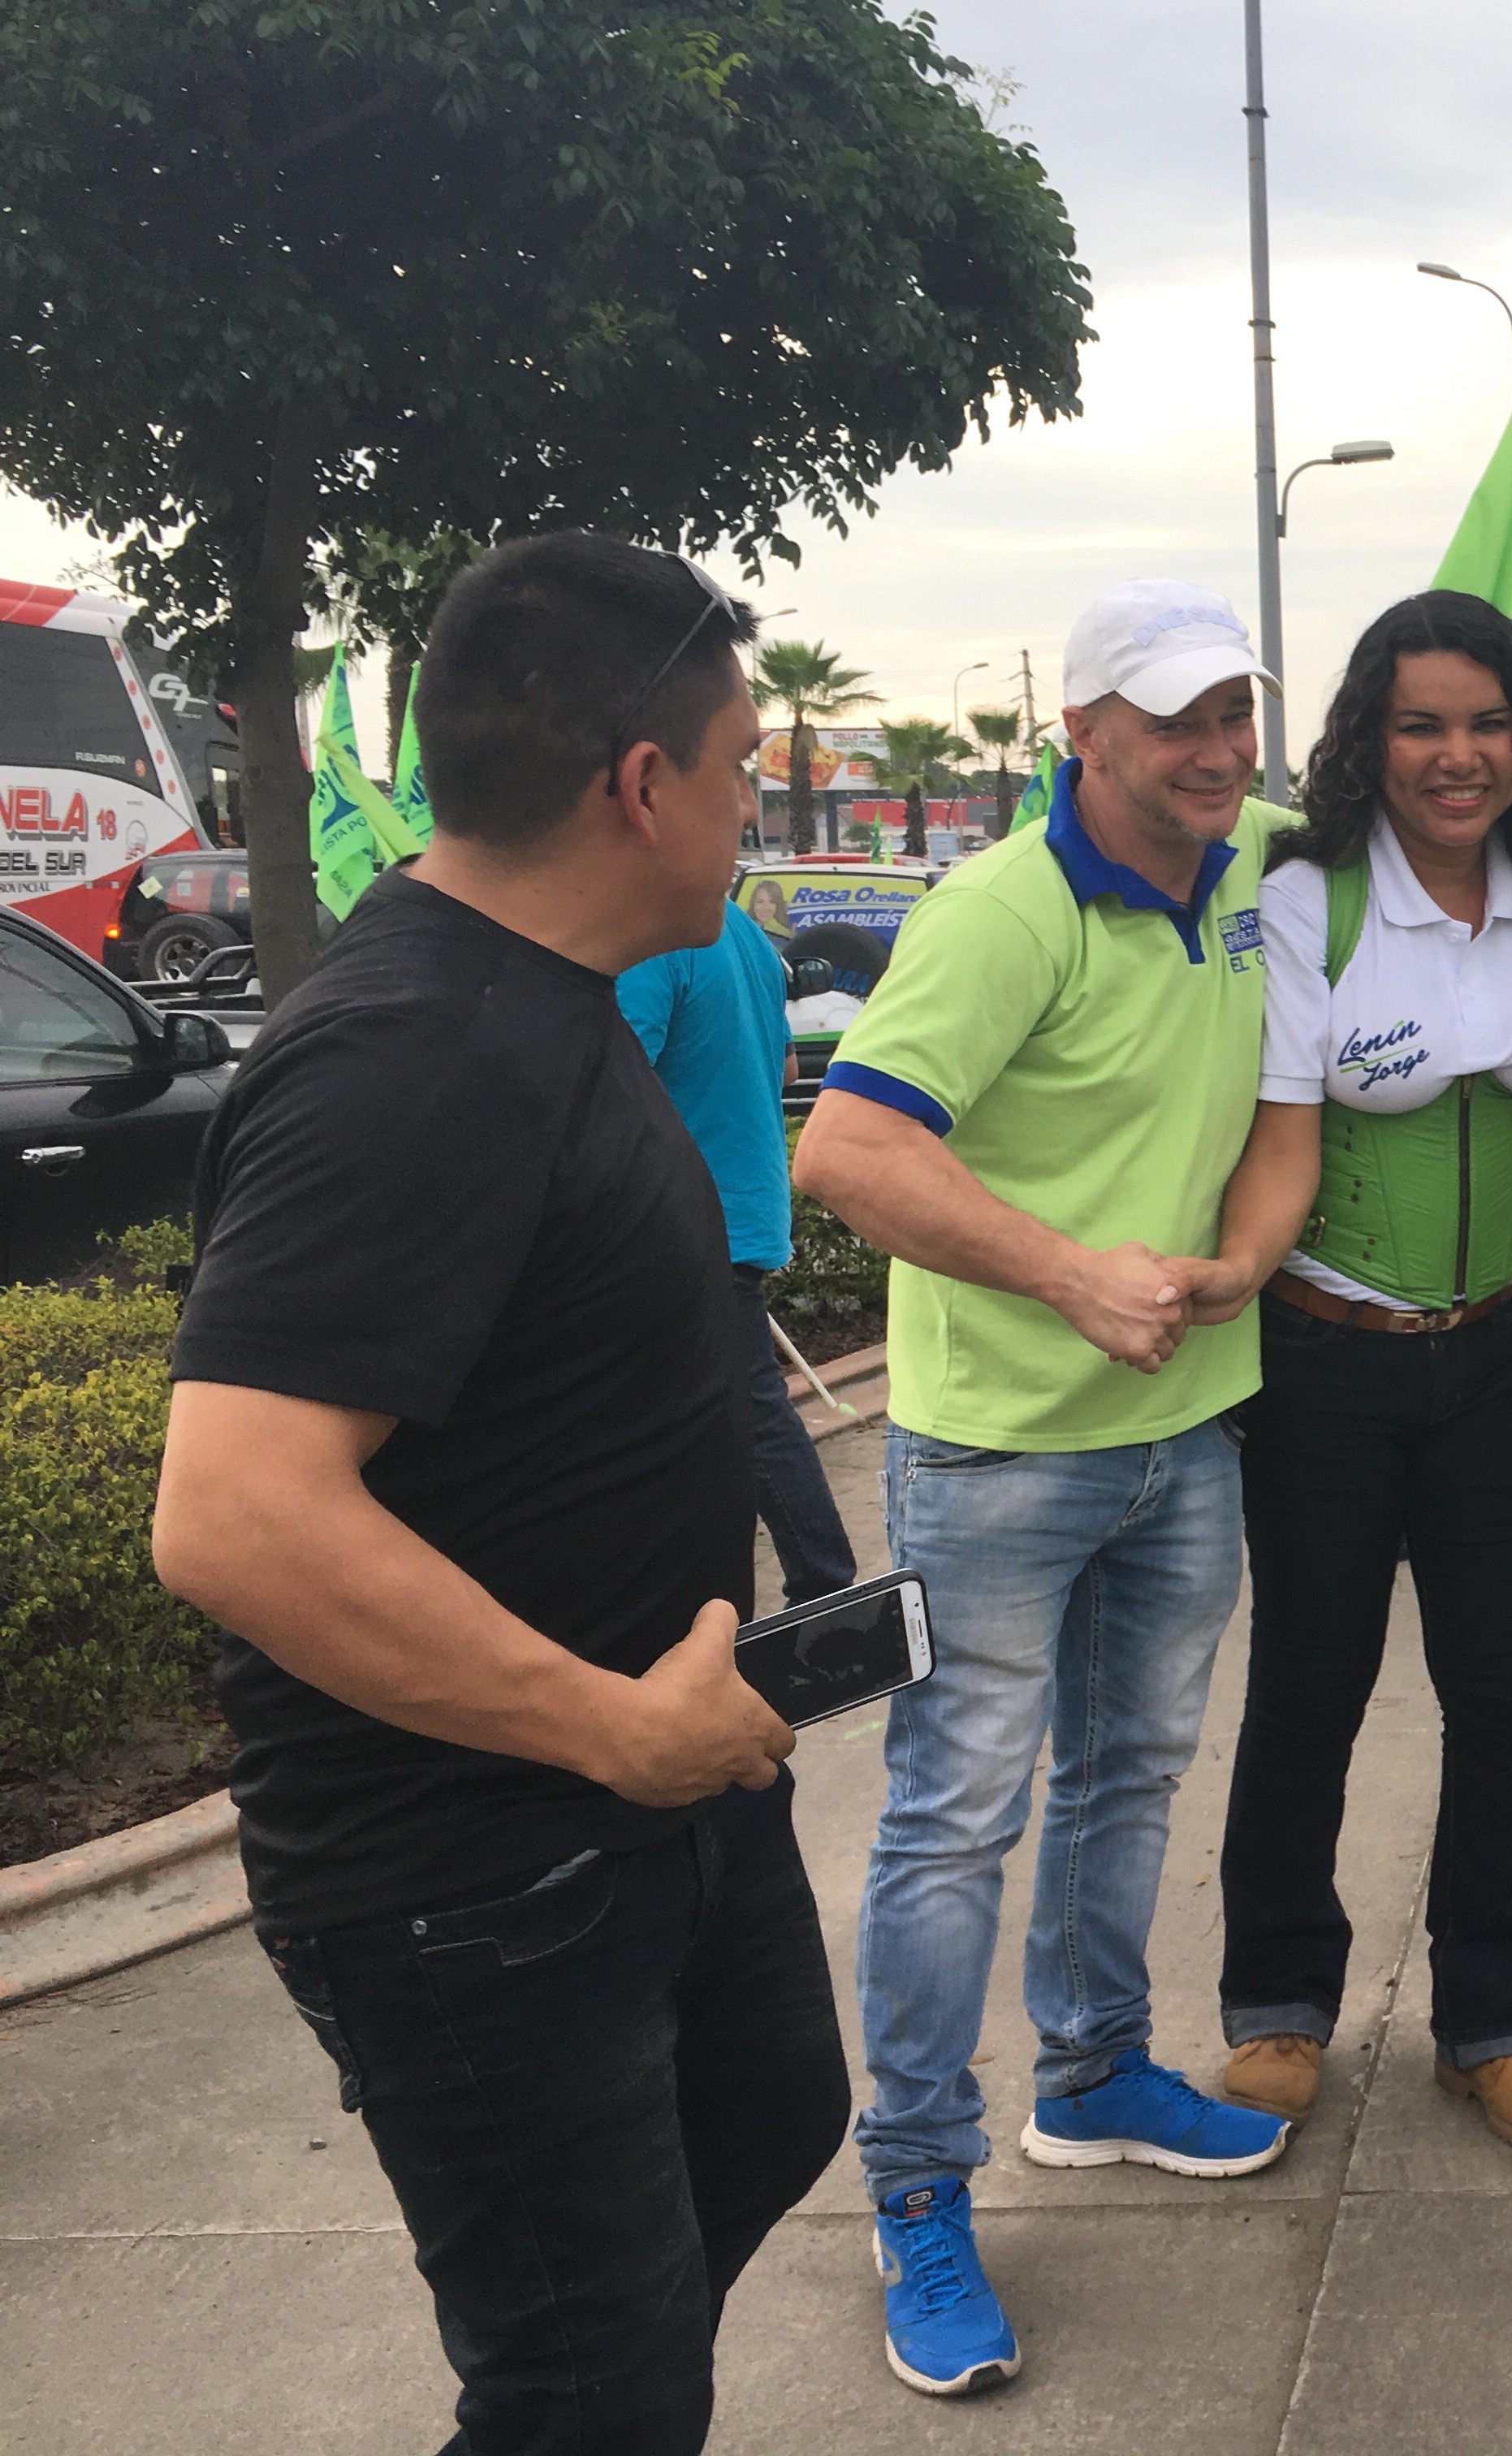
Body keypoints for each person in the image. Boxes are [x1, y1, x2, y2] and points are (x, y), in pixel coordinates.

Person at [153, 534, 845, 2454]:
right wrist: (612, 1728)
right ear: (642, 785)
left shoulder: (557, 995)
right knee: (589, 2384)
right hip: (477, 1880)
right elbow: (233, 1513)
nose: (751, 814)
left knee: (764, 2134)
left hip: (657, 1801)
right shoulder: (414, 1053)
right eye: (740, 770)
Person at [789, 580, 1297, 2401]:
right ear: (1082, 734)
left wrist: (1240, 1257)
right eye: (1176, 722)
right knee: (954, 1819)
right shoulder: (1004, 910)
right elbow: (848, 1147)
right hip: (999, 1449)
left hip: (1186, 1431)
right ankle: (918, 2186)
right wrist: (1071, 1273)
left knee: (1129, 1776)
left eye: (1235, 713)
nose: (1218, 752)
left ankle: (1091, 2074)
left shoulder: (1257, 868)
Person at [1183, 590, 1512, 2155]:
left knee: (1503, 1694)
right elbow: (1279, 1130)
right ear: (1368, 741)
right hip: (1328, 1353)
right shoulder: (1309, 897)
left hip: (1508, 1348)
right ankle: (1276, 2000)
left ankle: (1498, 2020)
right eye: (1422, 725)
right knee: (1308, 1684)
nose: (1458, 755)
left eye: (1488, 723)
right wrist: (1226, 1281)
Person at [618, 898, 858, 1606]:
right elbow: (786, 1069)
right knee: (723, 1408)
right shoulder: (743, 933)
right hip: (740, 1206)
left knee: (746, 1409)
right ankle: (811, 1587)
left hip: (682, 1216)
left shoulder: (652, 935)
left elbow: (609, 1081)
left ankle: (825, 1589)